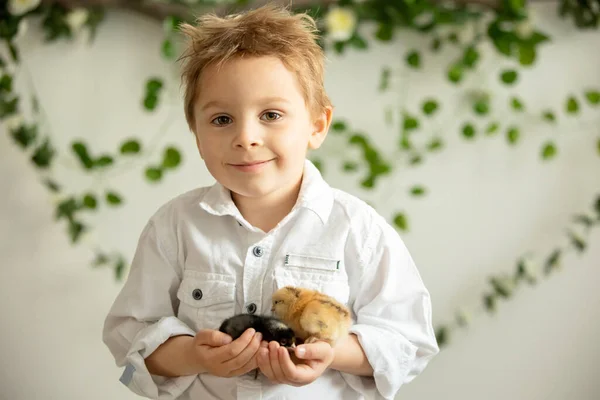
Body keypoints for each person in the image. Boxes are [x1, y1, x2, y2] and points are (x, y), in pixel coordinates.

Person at [102, 3, 439, 400]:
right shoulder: (175, 226)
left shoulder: (358, 229)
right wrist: (195, 355)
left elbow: (406, 342)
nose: (246, 137)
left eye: (272, 114)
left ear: (317, 126)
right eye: (222, 119)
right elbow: (133, 338)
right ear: (196, 135)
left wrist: (330, 352)